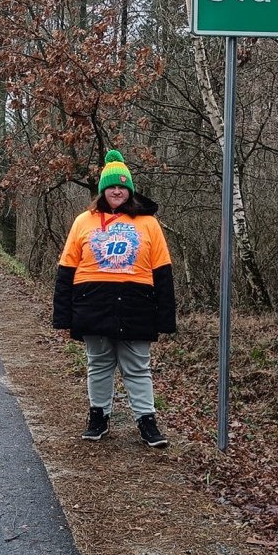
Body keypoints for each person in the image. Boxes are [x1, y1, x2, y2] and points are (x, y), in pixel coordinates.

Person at [53, 149, 176, 447]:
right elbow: (66, 269)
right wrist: (63, 315)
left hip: (137, 305)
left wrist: (165, 317)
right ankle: (99, 416)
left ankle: (146, 421)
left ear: (130, 190)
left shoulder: (148, 224)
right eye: (111, 186)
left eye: (122, 186)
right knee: (98, 364)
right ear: (102, 190)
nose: (116, 191)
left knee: (137, 367)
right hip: (92, 305)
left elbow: (162, 272)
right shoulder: (83, 221)